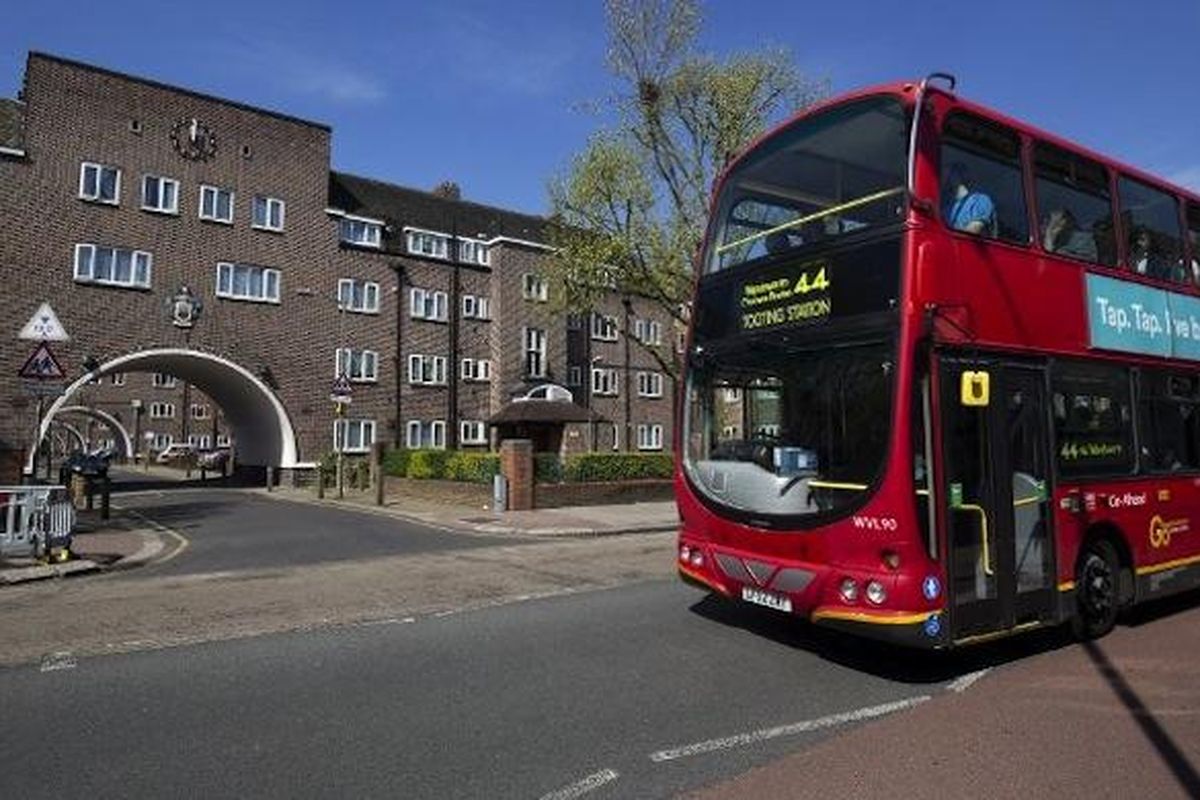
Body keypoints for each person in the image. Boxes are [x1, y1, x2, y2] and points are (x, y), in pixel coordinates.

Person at [942, 162, 997, 237]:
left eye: (948, 175)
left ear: (957, 176)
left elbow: (973, 230)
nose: (945, 179)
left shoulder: (980, 200)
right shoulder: (947, 209)